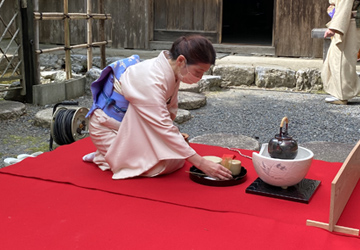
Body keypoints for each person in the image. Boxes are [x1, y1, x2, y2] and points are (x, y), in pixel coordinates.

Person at [82, 35, 233, 180]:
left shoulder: (172, 70)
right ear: (181, 60)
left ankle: (107, 153)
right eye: (198, 72)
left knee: (175, 156)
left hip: (132, 126)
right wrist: (201, 163)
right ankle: (105, 156)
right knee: (160, 165)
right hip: (107, 126)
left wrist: (174, 139)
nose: (199, 78)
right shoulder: (150, 79)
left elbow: (168, 111)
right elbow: (162, 124)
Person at [321, 0, 360, 105]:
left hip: (348, 23)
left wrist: (335, 27)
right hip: (348, 21)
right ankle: (339, 92)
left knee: (342, 58)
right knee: (337, 57)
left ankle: (342, 95)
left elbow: (345, 5)